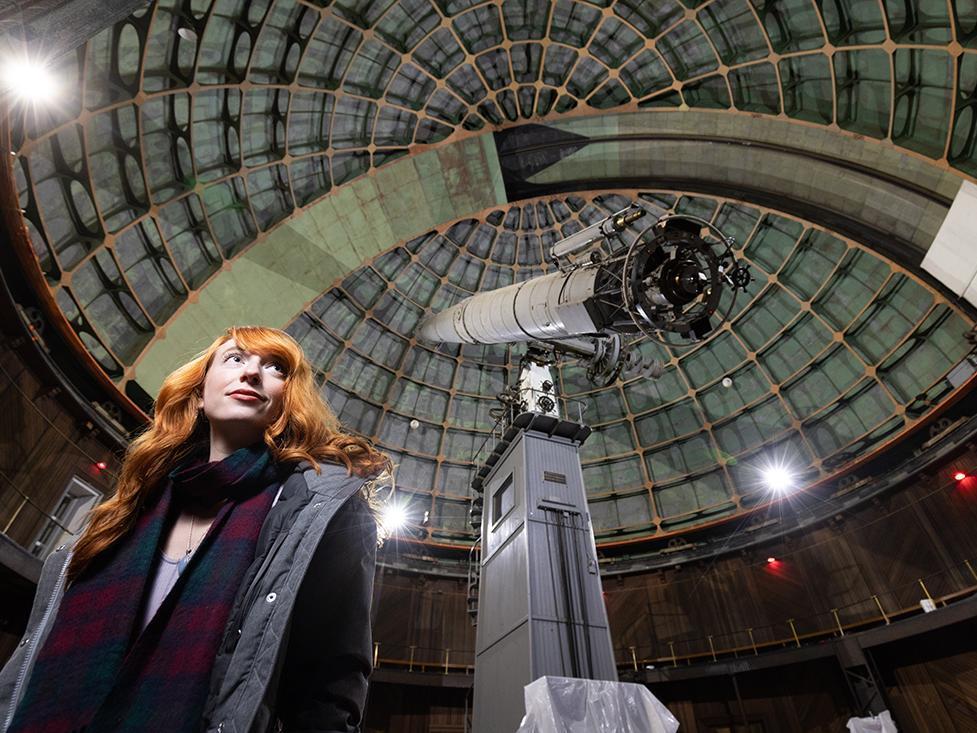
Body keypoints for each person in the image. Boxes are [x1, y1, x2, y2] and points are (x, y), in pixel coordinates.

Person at [0, 326, 390, 733]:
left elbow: (330, 684)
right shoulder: (134, 502)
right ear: (200, 393)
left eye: (276, 368)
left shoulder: (322, 510)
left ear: (289, 402)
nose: (251, 373)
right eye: (235, 359)